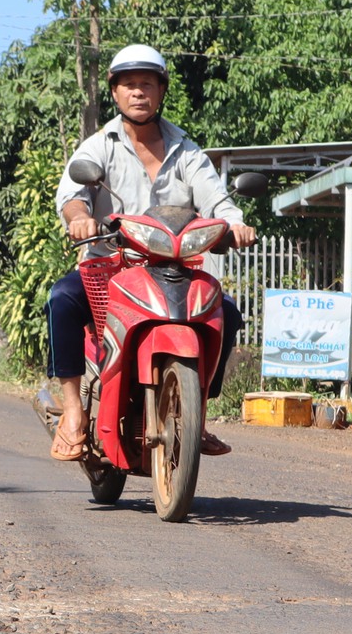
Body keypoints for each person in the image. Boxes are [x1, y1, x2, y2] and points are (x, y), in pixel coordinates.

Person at [47, 44, 253, 461]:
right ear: (116, 93)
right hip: (109, 267)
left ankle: (198, 414)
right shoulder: (99, 145)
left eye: (147, 84)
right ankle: (73, 414)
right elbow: (72, 194)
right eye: (129, 85)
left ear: (161, 91)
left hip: (173, 268)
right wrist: (79, 217)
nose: (138, 92)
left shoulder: (187, 151)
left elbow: (218, 201)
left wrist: (235, 225)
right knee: (62, 300)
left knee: (226, 312)